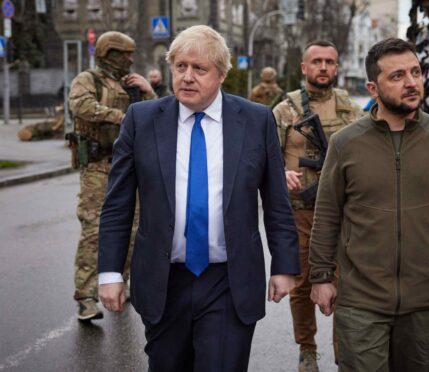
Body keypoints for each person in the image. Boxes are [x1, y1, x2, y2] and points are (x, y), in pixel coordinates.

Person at [97, 25, 300, 371]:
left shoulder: (255, 120)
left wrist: (284, 264)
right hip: (164, 279)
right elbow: (117, 204)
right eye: (180, 67)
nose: (187, 77)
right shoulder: (142, 120)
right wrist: (110, 272)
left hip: (228, 279)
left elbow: (276, 200)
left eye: (199, 69)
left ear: (221, 74)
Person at [309, 38, 429, 372]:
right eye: (397, 76)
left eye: (416, 72)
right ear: (373, 87)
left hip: (424, 302)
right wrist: (321, 276)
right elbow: (327, 212)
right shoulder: (346, 144)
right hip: (361, 302)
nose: (412, 82)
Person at [273, 40, 362, 372]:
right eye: (317, 61)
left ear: (337, 68)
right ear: (304, 68)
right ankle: (307, 348)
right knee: (302, 283)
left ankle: (343, 352)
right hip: (300, 209)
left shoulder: (350, 110)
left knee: (346, 283)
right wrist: (281, 174)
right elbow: (266, 157)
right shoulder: (285, 110)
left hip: (343, 212)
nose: (323, 67)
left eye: (330, 61)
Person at [68, 31, 156, 321]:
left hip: (129, 165)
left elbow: (159, 114)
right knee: (94, 231)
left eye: (131, 54)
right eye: (124, 54)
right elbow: (81, 107)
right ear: (108, 53)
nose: (130, 59)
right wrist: (123, 117)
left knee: (132, 229)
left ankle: (121, 281)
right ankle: (86, 297)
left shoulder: (130, 84)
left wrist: (148, 91)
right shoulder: (88, 79)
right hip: (98, 166)